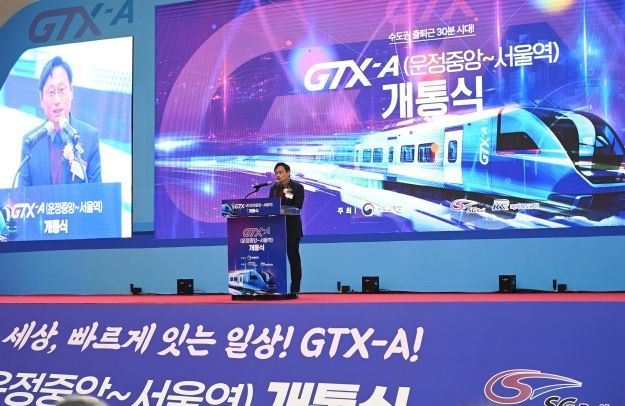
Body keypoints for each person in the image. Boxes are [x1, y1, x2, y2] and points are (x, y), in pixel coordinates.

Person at [19, 56, 101, 186]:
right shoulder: (30, 142)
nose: (57, 100)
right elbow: (22, 195)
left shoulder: (89, 137)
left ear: (71, 92)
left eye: (62, 90)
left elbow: (97, 194)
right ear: (41, 98)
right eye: (51, 92)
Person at [269, 162, 305, 294]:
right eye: (276, 173)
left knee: (293, 259)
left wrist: (279, 209)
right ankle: (275, 287)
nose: (278, 175)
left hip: (291, 229)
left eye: (281, 172)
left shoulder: (297, 187)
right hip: (276, 229)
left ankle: (295, 289)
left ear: (288, 173)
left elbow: (297, 206)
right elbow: (269, 205)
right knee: (274, 260)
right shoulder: (274, 188)